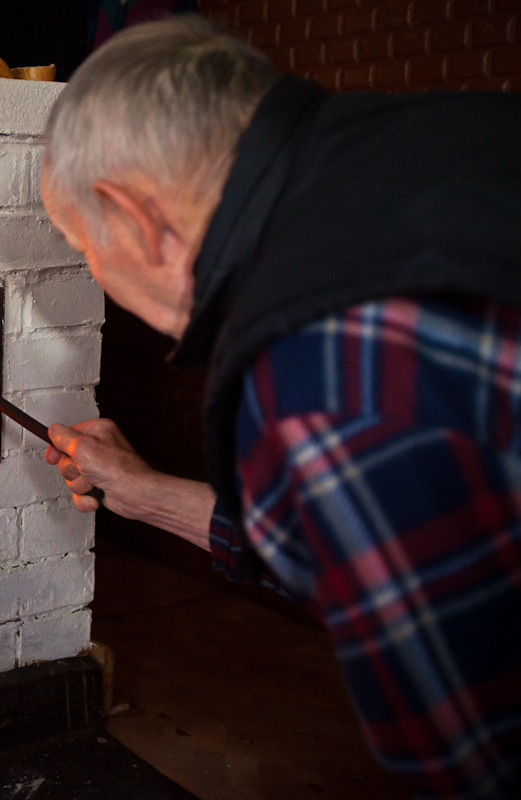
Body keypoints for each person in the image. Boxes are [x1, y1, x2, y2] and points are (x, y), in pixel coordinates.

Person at [40, 14, 521, 800]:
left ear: (132, 215)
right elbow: (342, 544)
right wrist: (147, 492)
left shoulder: (319, 370)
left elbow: (479, 763)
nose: (95, 273)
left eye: (82, 246)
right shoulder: (434, 140)